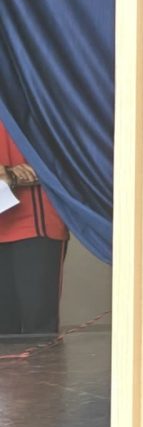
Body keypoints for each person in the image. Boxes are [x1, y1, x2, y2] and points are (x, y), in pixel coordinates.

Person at [0, 117, 68, 335]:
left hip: (33, 221)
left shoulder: (39, 97)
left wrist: (12, 174)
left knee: (38, 329)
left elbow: (69, 157)